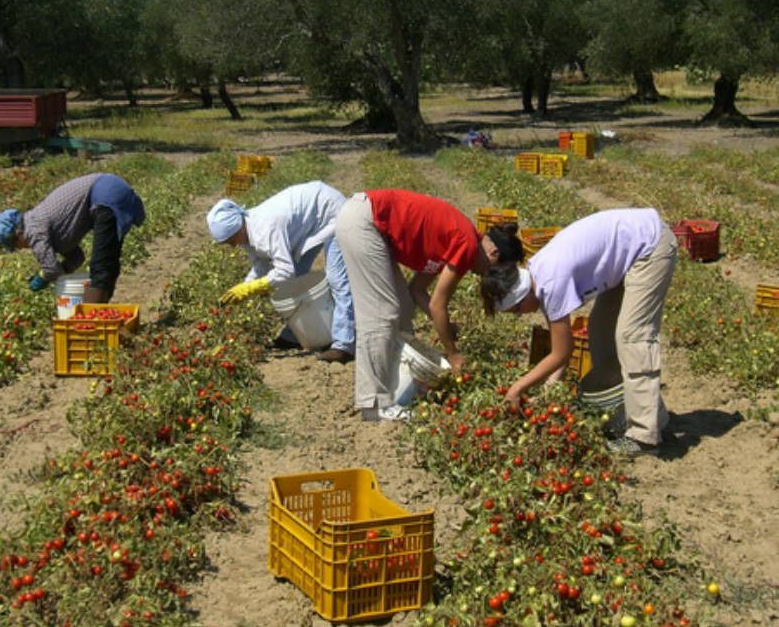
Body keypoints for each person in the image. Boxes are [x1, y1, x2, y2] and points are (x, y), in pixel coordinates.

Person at [480, 208, 678, 457]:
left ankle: (644, 436)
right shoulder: (538, 275)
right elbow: (560, 349)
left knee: (632, 336)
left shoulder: (550, 283)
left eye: (516, 311)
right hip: (626, 254)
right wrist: (548, 394)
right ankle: (635, 411)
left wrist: (517, 388)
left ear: (521, 297)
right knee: (600, 330)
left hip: (649, 245)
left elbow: (562, 353)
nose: (521, 315)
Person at [335, 189, 516, 421]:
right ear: (493, 252)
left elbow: (417, 291)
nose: (485, 275)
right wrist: (453, 353)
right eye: (492, 270)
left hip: (372, 226)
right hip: (364, 221)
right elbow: (438, 305)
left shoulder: (459, 239)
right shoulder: (467, 244)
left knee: (403, 308)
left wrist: (445, 327)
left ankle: (396, 386)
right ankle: (375, 405)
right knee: (381, 314)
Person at [206, 181, 355, 363]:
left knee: (336, 278)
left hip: (330, 211)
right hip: (308, 223)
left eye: (230, 240)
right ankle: (294, 336)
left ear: (238, 228)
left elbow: (285, 270)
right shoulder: (247, 234)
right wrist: (243, 287)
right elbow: (261, 267)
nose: (232, 245)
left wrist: (254, 287)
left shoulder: (266, 227)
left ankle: (344, 345)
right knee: (294, 282)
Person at [0, 173, 145, 303]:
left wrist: (41, 278)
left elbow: (51, 269)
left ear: (18, 233)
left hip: (106, 196)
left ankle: (92, 322)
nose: (22, 248)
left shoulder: (33, 230)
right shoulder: (41, 225)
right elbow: (77, 257)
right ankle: (102, 314)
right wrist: (64, 269)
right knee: (108, 262)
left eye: (16, 245)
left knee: (101, 266)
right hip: (111, 188)